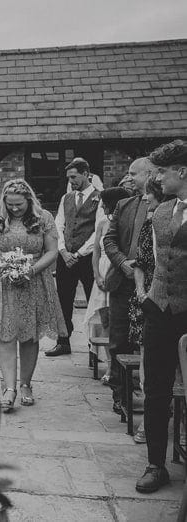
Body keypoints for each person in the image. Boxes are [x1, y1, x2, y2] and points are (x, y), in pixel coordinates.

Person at [0, 179, 66, 412]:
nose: (15, 209)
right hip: (2, 281)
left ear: (29, 200)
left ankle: (26, 384)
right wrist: (1, 266)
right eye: (10, 205)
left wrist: (31, 270)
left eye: (19, 204)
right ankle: (9, 388)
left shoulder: (44, 218)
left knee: (29, 335)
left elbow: (51, 252)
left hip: (34, 280)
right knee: (5, 333)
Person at [135, 140, 187, 494]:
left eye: (163, 171)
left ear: (181, 171)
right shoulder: (162, 212)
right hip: (159, 309)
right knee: (155, 389)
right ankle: (156, 464)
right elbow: (156, 261)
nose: (157, 177)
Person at [103, 158, 154, 417]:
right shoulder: (124, 204)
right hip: (123, 283)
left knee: (150, 344)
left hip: (153, 285)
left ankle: (155, 397)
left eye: (134, 174)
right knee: (119, 341)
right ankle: (120, 394)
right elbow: (109, 240)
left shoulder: (165, 205)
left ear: (150, 173)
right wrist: (123, 263)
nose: (130, 178)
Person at [129, 176, 171, 445]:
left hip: (174, 300)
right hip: (149, 300)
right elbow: (140, 262)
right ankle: (149, 422)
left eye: (149, 195)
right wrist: (142, 293)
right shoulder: (148, 224)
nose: (145, 198)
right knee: (149, 363)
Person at [46, 158, 101, 357]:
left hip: (87, 259)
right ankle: (63, 341)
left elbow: (98, 231)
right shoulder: (66, 198)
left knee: (92, 301)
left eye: (74, 176)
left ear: (87, 174)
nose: (71, 181)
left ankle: (93, 346)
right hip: (65, 257)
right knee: (63, 300)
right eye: (69, 177)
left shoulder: (99, 198)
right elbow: (58, 224)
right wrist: (63, 251)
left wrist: (78, 253)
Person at [84, 187, 130, 384]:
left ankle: (117, 367)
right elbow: (96, 251)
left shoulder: (125, 222)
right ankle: (109, 364)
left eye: (104, 202)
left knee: (118, 323)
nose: (102, 205)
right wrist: (96, 275)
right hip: (102, 273)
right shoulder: (103, 223)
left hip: (118, 272)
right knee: (104, 321)